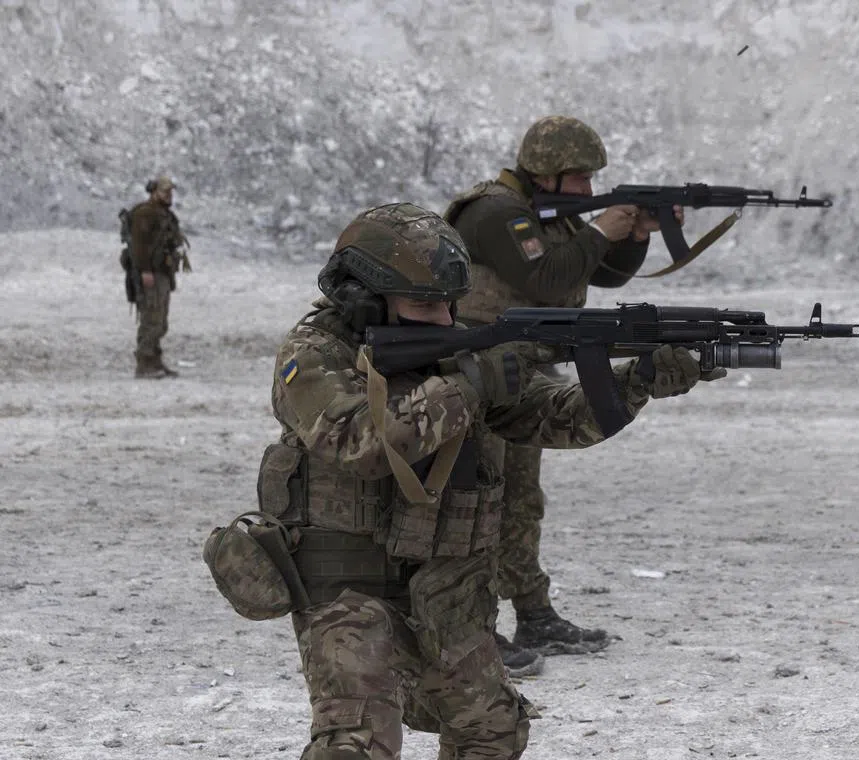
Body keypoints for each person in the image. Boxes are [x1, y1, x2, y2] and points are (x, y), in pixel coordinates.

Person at [261, 203, 721, 759]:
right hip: (347, 587)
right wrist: (473, 384)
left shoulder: (454, 348)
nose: (442, 320)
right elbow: (359, 441)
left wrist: (637, 381)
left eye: (448, 304)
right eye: (423, 304)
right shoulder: (313, 355)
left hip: (444, 586)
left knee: (494, 731)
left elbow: (553, 417)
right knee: (356, 742)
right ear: (363, 297)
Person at [444, 115, 685, 671]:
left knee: (521, 498)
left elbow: (601, 274)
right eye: (579, 178)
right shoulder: (496, 213)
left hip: (522, 369)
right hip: (477, 371)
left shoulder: (545, 213)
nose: (587, 188)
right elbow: (549, 279)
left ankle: (534, 612)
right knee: (480, 499)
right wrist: (601, 229)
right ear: (546, 171)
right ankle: (473, 627)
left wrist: (634, 236)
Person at [126, 174, 189, 378]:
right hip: (150, 274)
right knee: (151, 318)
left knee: (160, 320)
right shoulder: (144, 214)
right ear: (154, 192)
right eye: (165, 191)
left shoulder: (164, 214)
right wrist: (145, 270)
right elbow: (139, 246)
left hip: (162, 273)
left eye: (170, 192)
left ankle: (155, 360)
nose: (169, 195)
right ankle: (144, 363)